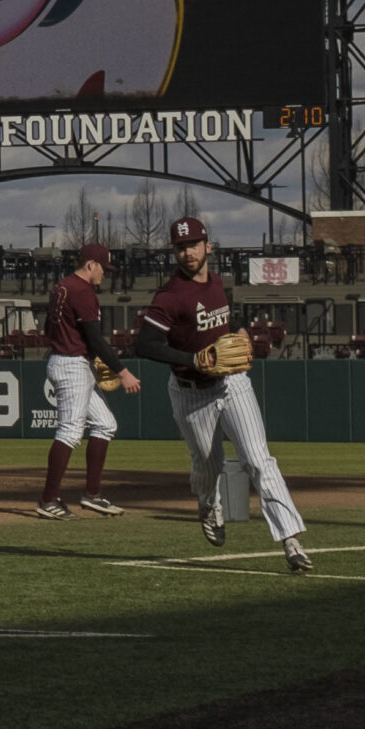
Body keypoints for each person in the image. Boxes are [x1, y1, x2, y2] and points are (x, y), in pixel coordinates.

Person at [134, 216, 312, 572]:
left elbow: (222, 327)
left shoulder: (217, 283)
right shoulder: (170, 296)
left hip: (231, 382)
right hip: (190, 391)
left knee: (259, 460)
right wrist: (191, 359)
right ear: (175, 251)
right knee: (207, 465)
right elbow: (144, 343)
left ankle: (291, 541)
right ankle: (207, 501)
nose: (188, 252)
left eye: (194, 245)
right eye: (181, 247)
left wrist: (242, 333)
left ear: (208, 246)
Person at [34, 243, 140, 518]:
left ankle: (92, 495)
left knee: (105, 424)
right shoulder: (82, 291)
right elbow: (94, 338)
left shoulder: (62, 286)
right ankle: (48, 500)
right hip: (72, 364)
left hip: (67, 359)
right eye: (104, 267)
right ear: (91, 264)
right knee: (69, 431)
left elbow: (49, 327)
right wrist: (122, 370)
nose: (106, 273)